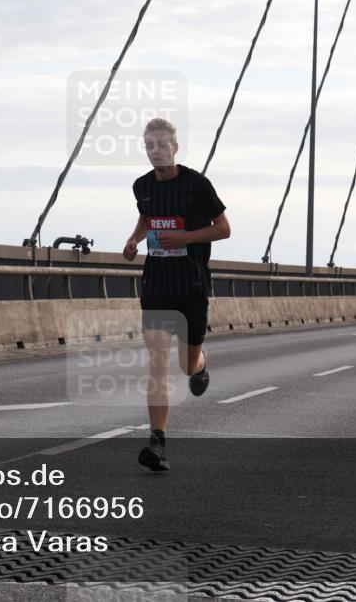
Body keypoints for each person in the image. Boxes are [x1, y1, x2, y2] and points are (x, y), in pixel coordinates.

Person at [122, 118, 230, 472]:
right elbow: (147, 218)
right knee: (157, 361)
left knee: (186, 364)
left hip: (191, 285)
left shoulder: (197, 184)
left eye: (162, 145)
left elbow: (223, 229)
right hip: (157, 284)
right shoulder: (142, 186)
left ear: (175, 148)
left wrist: (184, 238)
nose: (156, 151)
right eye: (150, 146)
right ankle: (158, 441)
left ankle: (200, 364)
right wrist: (134, 240)